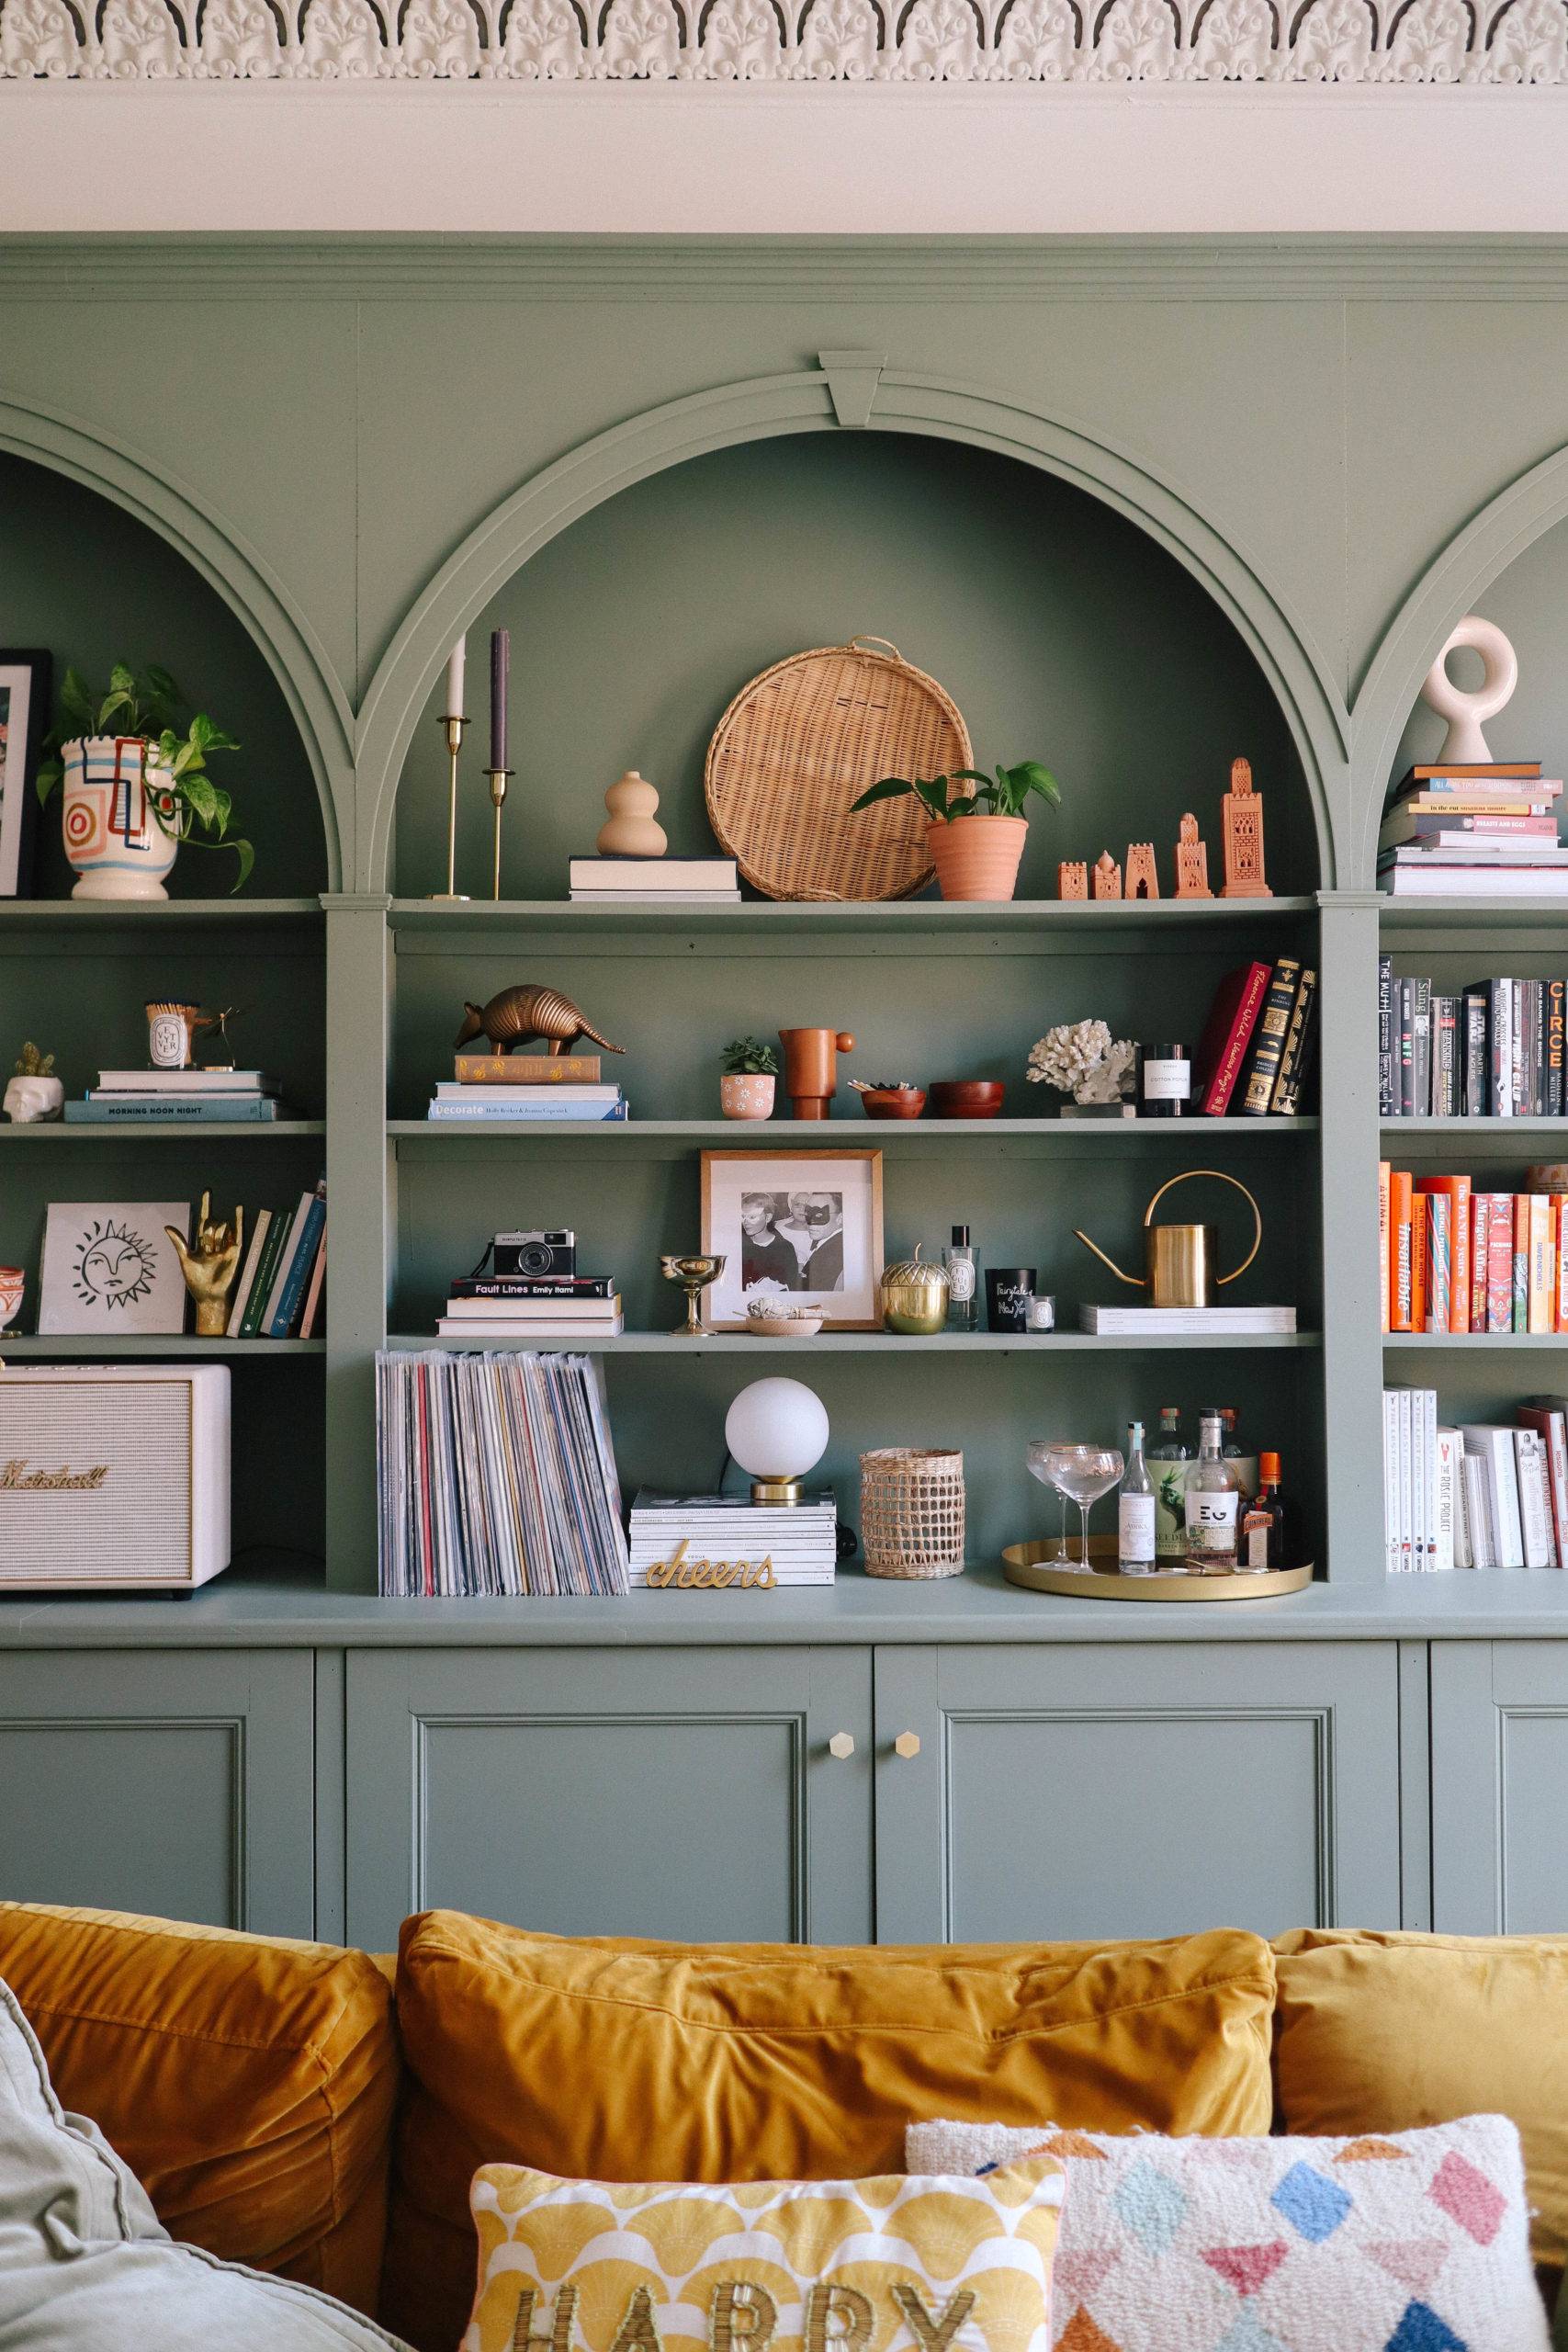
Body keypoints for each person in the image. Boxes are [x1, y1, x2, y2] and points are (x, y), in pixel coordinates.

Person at [777, 1191, 845, 1292]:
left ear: (840, 1218)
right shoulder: (827, 1244)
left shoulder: (832, 1253)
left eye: (819, 1215)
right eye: (808, 1213)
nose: (811, 1222)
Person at [739, 1193, 799, 1291]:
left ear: (768, 1218)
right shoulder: (739, 1246)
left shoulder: (785, 1248)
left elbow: (792, 1285)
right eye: (743, 1217)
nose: (745, 1222)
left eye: (752, 1217)